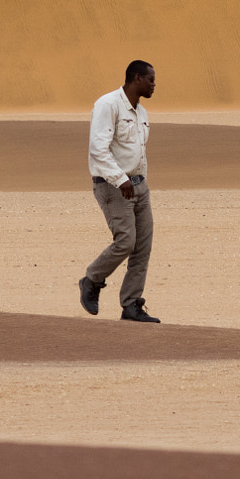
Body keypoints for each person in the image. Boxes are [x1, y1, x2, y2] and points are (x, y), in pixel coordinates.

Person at [80, 60, 159, 323]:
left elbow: (138, 152)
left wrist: (140, 181)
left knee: (142, 246)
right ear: (136, 78)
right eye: (150, 80)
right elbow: (98, 149)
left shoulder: (142, 112)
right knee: (125, 241)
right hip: (114, 186)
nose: (154, 85)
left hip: (139, 186)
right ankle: (92, 279)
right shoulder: (108, 104)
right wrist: (120, 179)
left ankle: (131, 305)